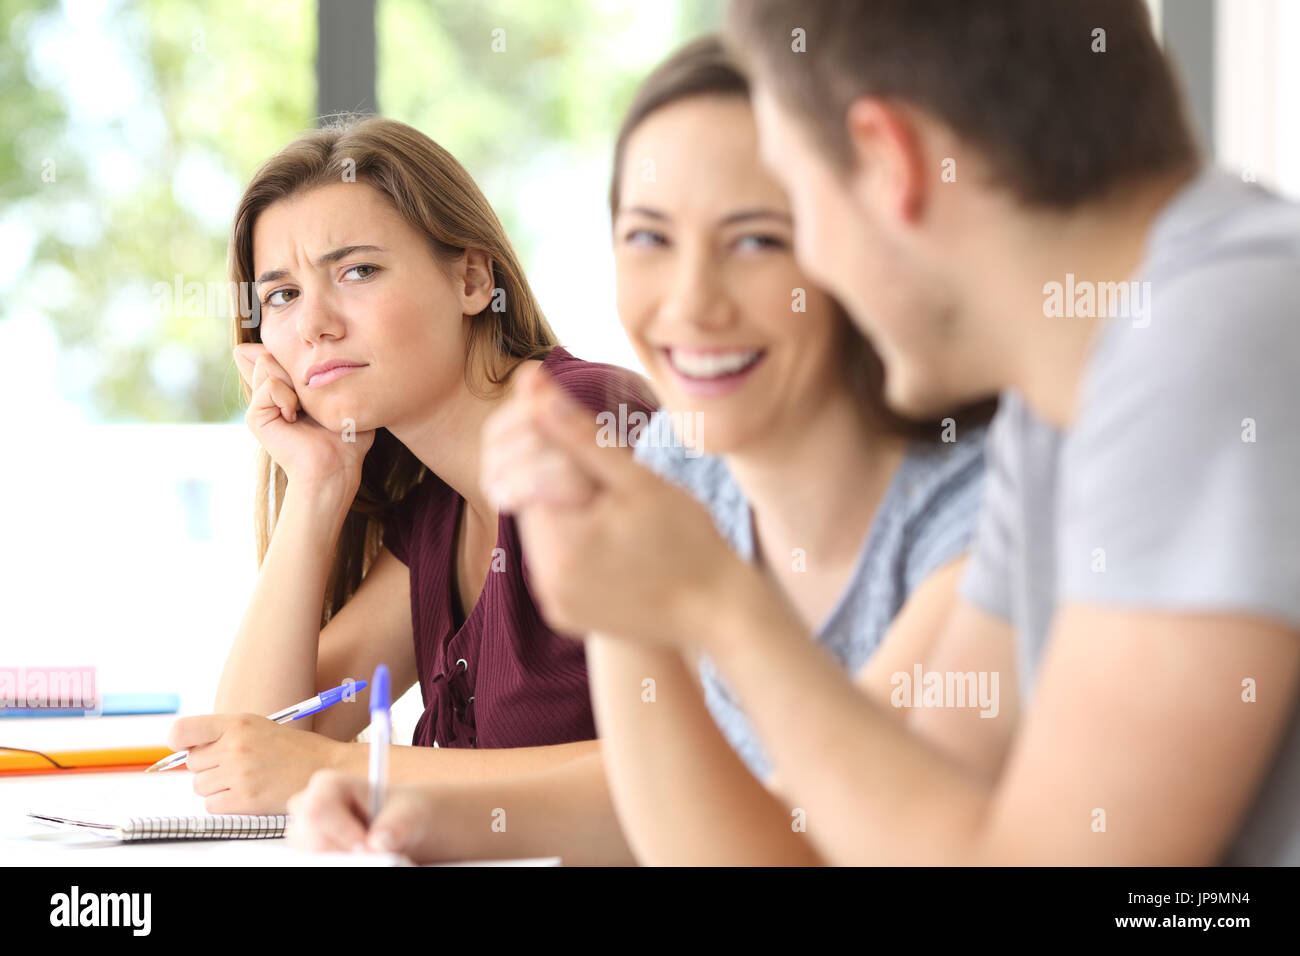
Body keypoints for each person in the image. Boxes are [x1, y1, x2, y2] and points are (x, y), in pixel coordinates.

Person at [478, 0, 1300, 865]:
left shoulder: (1207, 338)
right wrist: (626, 597)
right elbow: (857, 853)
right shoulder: (1056, 406)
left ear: (886, 158)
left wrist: (717, 604)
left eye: (789, 207)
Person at [283, 37, 993, 864]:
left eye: (758, 239)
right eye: (650, 239)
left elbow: (803, 829)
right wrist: (403, 810)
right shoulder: (677, 464)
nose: (691, 304)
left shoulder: (978, 512)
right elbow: (662, 800)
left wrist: (704, 595)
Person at [167, 115, 655, 814]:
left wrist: (338, 770)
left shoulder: (587, 427)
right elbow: (250, 752)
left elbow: (693, 767)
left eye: (357, 270)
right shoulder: (437, 505)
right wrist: (317, 484)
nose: (314, 325)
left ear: (471, 279)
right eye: (282, 295)